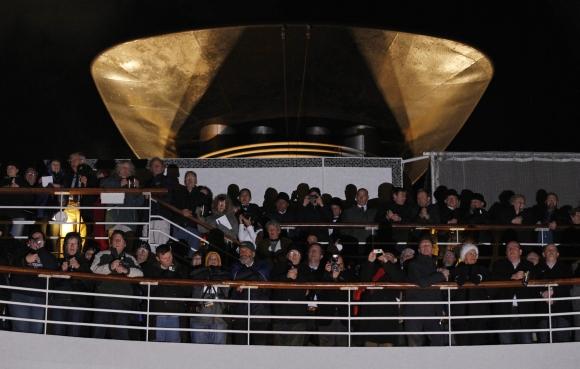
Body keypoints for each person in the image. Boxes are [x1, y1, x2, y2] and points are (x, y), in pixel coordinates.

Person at [91, 230, 143, 340]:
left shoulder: (131, 258)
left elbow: (140, 273)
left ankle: (122, 357)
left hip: (122, 302)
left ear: (125, 243)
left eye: (120, 239)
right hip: (103, 301)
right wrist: (110, 267)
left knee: (122, 337)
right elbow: (93, 270)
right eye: (115, 239)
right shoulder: (101, 254)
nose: (117, 241)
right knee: (97, 336)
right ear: (111, 242)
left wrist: (126, 270)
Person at [9, 230, 58, 333]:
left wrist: (41, 250)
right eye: (33, 239)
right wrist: (25, 260)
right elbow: (11, 265)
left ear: (44, 241)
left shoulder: (48, 255)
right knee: (20, 330)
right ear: (29, 241)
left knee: (37, 330)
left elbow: (52, 266)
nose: (36, 241)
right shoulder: (21, 251)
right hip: (20, 295)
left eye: (39, 239)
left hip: (39, 297)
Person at [404, 236, 449, 346]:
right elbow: (423, 282)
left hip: (431, 311)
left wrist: (440, 309)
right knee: (415, 345)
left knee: (438, 341)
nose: (425, 247)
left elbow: (436, 290)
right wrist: (441, 275)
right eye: (423, 245)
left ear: (432, 248)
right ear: (418, 250)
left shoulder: (433, 264)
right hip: (415, 311)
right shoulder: (413, 264)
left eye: (428, 245)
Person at [358, 247, 405, 346]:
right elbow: (364, 280)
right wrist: (370, 262)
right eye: (384, 255)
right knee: (370, 347)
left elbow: (399, 280)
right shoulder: (373, 267)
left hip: (388, 314)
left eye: (389, 255)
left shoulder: (398, 269)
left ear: (395, 259)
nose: (385, 256)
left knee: (387, 348)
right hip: (371, 314)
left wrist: (386, 263)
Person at [491, 240, 536, 344]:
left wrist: (524, 276)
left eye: (514, 247)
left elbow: (530, 280)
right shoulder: (498, 265)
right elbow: (495, 280)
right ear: (506, 253)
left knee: (526, 346)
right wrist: (512, 277)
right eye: (509, 248)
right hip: (504, 312)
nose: (511, 250)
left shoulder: (528, 265)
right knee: (506, 348)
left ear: (520, 252)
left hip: (524, 312)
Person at [50, 232, 91, 337]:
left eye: (75, 243)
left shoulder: (85, 263)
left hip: (77, 304)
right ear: (65, 246)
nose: (72, 246)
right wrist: (60, 272)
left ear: (79, 246)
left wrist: (79, 268)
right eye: (69, 243)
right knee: (57, 335)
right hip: (59, 302)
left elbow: (91, 284)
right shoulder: (58, 262)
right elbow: (51, 284)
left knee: (74, 337)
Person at [145, 244, 189, 342]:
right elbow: (147, 289)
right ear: (157, 258)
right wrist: (168, 274)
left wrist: (173, 274)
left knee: (173, 348)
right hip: (158, 313)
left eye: (170, 257)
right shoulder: (150, 269)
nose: (168, 260)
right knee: (157, 346)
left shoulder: (182, 269)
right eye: (164, 258)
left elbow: (187, 290)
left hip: (175, 313)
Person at [230, 241, 271, 345]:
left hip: (260, 313)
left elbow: (263, 277)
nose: (242, 253)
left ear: (253, 254)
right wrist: (255, 276)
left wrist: (244, 282)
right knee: (240, 346)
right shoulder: (235, 265)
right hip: (240, 313)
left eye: (246, 250)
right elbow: (235, 277)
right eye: (241, 251)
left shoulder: (264, 264)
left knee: (259, 347)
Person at [450, 243, 491, 345]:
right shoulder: (456, 270)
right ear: (464, 257)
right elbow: (459, 281)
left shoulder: (483, 269)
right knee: (462, 344)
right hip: (460, 316)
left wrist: (473, 276)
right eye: (470, 253)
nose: (473, 256)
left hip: (479, 315)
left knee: (479, 344)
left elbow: (479, 281)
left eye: (475, 254)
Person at [270, 244, 309, 346]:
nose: (294, 256)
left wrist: (295, 278)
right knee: (278, 349)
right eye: (291, 253)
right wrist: (287, 277)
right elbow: (272, 286)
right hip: (279, 316)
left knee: (295, 350)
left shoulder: (305, 269)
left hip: (298, 318)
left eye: (297, 254)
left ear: (301, 257)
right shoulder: (278, 268)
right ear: (287, 255)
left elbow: (307, 290)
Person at [190, 251, 230, 344]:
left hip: (219, 320)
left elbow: (227, 297)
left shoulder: (225, 276)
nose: (213, 261)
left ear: (219, 262)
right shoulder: (198, 275)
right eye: (210, 259)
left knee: (218, 352)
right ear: (206, 261)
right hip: (199, 320)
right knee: (199, 352)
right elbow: (194, 296)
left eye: (215, 259)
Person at [535, 243, 573, 343]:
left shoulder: (566, 268)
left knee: (563, 344)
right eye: (548, 250)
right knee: (544, 343)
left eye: (553, 250)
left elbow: (570, 285)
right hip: (543, 311)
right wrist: (542, 293)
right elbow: (531, 287)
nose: (551, 251)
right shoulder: (536, 268)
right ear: (543, 254)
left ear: (558, 254)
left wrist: (552, 292)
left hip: (562, 311)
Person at [100, 160, 145, 239]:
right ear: (118, 169)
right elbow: (103, 186)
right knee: (113, 249)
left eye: (128, 168)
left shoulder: (134, 183)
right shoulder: (110, 180)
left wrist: (138, 189)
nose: (125, 170)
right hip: (113, 222)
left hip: (130, 223)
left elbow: (139, 203)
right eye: (123, 167)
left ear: (131, 171)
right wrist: (119, 184)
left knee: (128, 249)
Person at [317, 251, 353, 346]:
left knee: (344, 350)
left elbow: (346, 294)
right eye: (334, 264)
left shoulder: (348, 275)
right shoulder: (322, 275)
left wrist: (336, 279)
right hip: (326, 318)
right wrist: (327, 276)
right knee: (326, 351)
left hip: (344, 318)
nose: (337, 266)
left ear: (344, 265)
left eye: (340, 264)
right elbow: (318, 294)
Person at [141, 157, 177, 248]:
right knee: (147, 247)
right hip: (147, 219)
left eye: (158, 165)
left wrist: (151, 194)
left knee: (161, 248)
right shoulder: (147, 182)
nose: (156, 167)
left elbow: (169, 197)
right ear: (150, 168)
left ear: (163, 168)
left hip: (162, 218)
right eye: (153, 165)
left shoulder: (169, 180)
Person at [171, 171, 207, 256]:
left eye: (192, 178)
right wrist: (181, 212)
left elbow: (203, 210)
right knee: (176, 250)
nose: (190, 180)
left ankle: (192, 265)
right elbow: (173, 207)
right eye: (187, 178)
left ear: (196, 181)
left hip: (193, 227)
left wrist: (203, 194)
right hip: (179, 226)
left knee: (194, 250)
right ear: (184, 181)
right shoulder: (178, 193)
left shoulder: (201, 194)